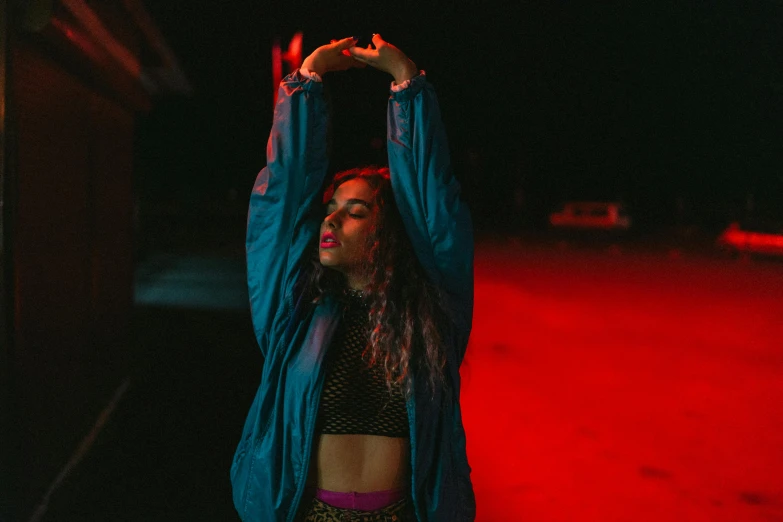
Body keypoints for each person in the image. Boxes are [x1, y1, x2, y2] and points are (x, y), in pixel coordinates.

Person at [231, 34, 475, 522]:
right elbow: (280, 202)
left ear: (387, 234)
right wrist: (305, 82)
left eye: (355, 212)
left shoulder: (431, 313)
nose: (331, 221)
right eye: (330, 210)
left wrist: (408, 86)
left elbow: (435, 211)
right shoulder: (294, 314)